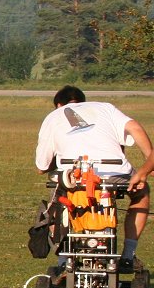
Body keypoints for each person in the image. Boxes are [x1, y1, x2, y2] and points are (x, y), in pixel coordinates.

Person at [35, 85, 152, 273]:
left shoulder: (54, 116)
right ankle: (128, 255)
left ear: (58, 104)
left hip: (74, 173)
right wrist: (149, 158)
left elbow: (41, 166)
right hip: (115, 172)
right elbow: (135, 128)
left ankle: (64, 259)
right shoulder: (105, 107)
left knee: (58, 202)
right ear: (84, 102)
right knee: (142, 194)